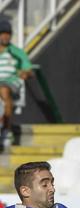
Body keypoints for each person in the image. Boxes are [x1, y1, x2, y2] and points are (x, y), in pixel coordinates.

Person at [0, 19, 31, 150]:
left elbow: (28, 69)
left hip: (10, 82)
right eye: (2, 33)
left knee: (3, 90)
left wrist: (25, 73)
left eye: (8, 33)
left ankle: (6, 131)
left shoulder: (16, 51)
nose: (6, 36)